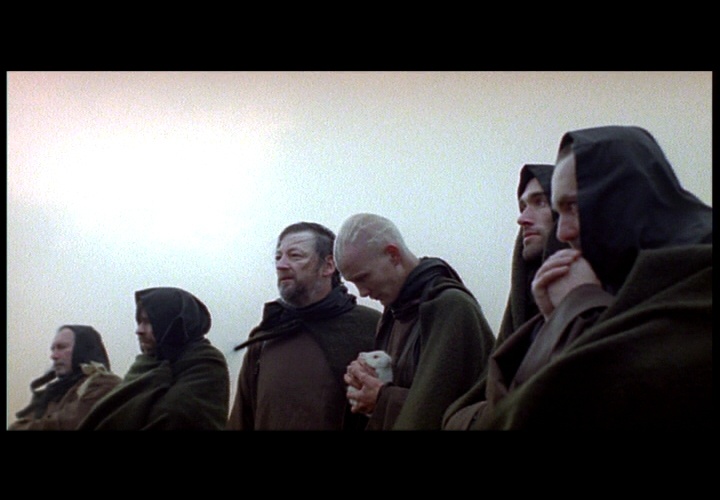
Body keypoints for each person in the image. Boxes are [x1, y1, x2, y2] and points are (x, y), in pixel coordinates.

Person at [474, 125, 712, 430]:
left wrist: (577, 309)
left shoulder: (698, 276)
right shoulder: (611, 279)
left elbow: (564, 404)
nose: (563, 233)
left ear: (624, 197)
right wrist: (555, 320)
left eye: (573, 206)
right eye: (558, 212)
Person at [335, 213, 495, 430]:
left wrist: (381, 399)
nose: (362, 292)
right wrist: (363, 381)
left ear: (393, 255)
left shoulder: (450, 307)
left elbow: (450, 410)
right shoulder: (393, 314)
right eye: (353, 283)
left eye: (363, 277)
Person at [442, 163, 566, 429]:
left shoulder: (598, 297)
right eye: (522, 206)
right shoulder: (523, 300)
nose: (522, 219)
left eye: (540, 202)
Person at [227, 222, 381, 430]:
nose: (281, 265)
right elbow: (242, 416)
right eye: (278, 257)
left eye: (295, 256)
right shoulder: (267, 334)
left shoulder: (370, 327)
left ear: (328, 265)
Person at [78, 287, 230, 430]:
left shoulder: (205, 363)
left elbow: (177, 415)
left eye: (148, 321)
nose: (139, 330)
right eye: (139, 322)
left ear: (173, 323)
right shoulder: (144, 366)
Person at [8, 324, 121, 430]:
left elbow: (67, 424)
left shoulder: (105, 384)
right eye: (53, 349)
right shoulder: (54, 392)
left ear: (83, 349)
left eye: (61, 347)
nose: (54, 356)